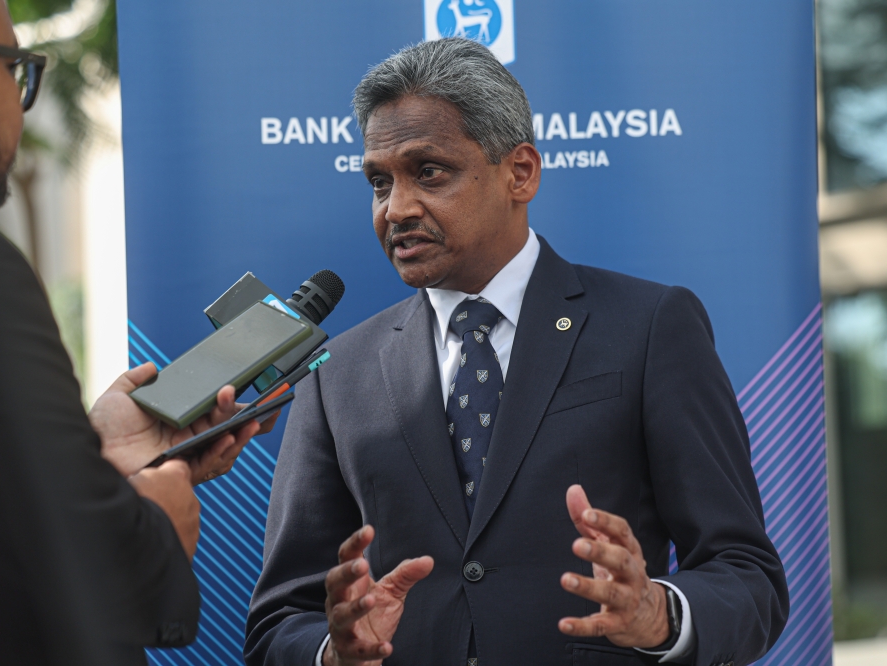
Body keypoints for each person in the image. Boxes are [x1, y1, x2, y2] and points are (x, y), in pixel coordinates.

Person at [245, 38, 788, 666]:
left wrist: (658, 614)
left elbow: (746, 575)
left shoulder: (649, 327)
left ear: (520, 173)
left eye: (428, 172)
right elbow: (281, 620)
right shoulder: (336, 374)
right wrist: (333, 653)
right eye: (378, 182)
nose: (396, 208)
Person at [0, 0, 268, 663]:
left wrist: (85, 456)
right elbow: (83, 574)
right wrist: (154, 516)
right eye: (16, 69)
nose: (21, 103)